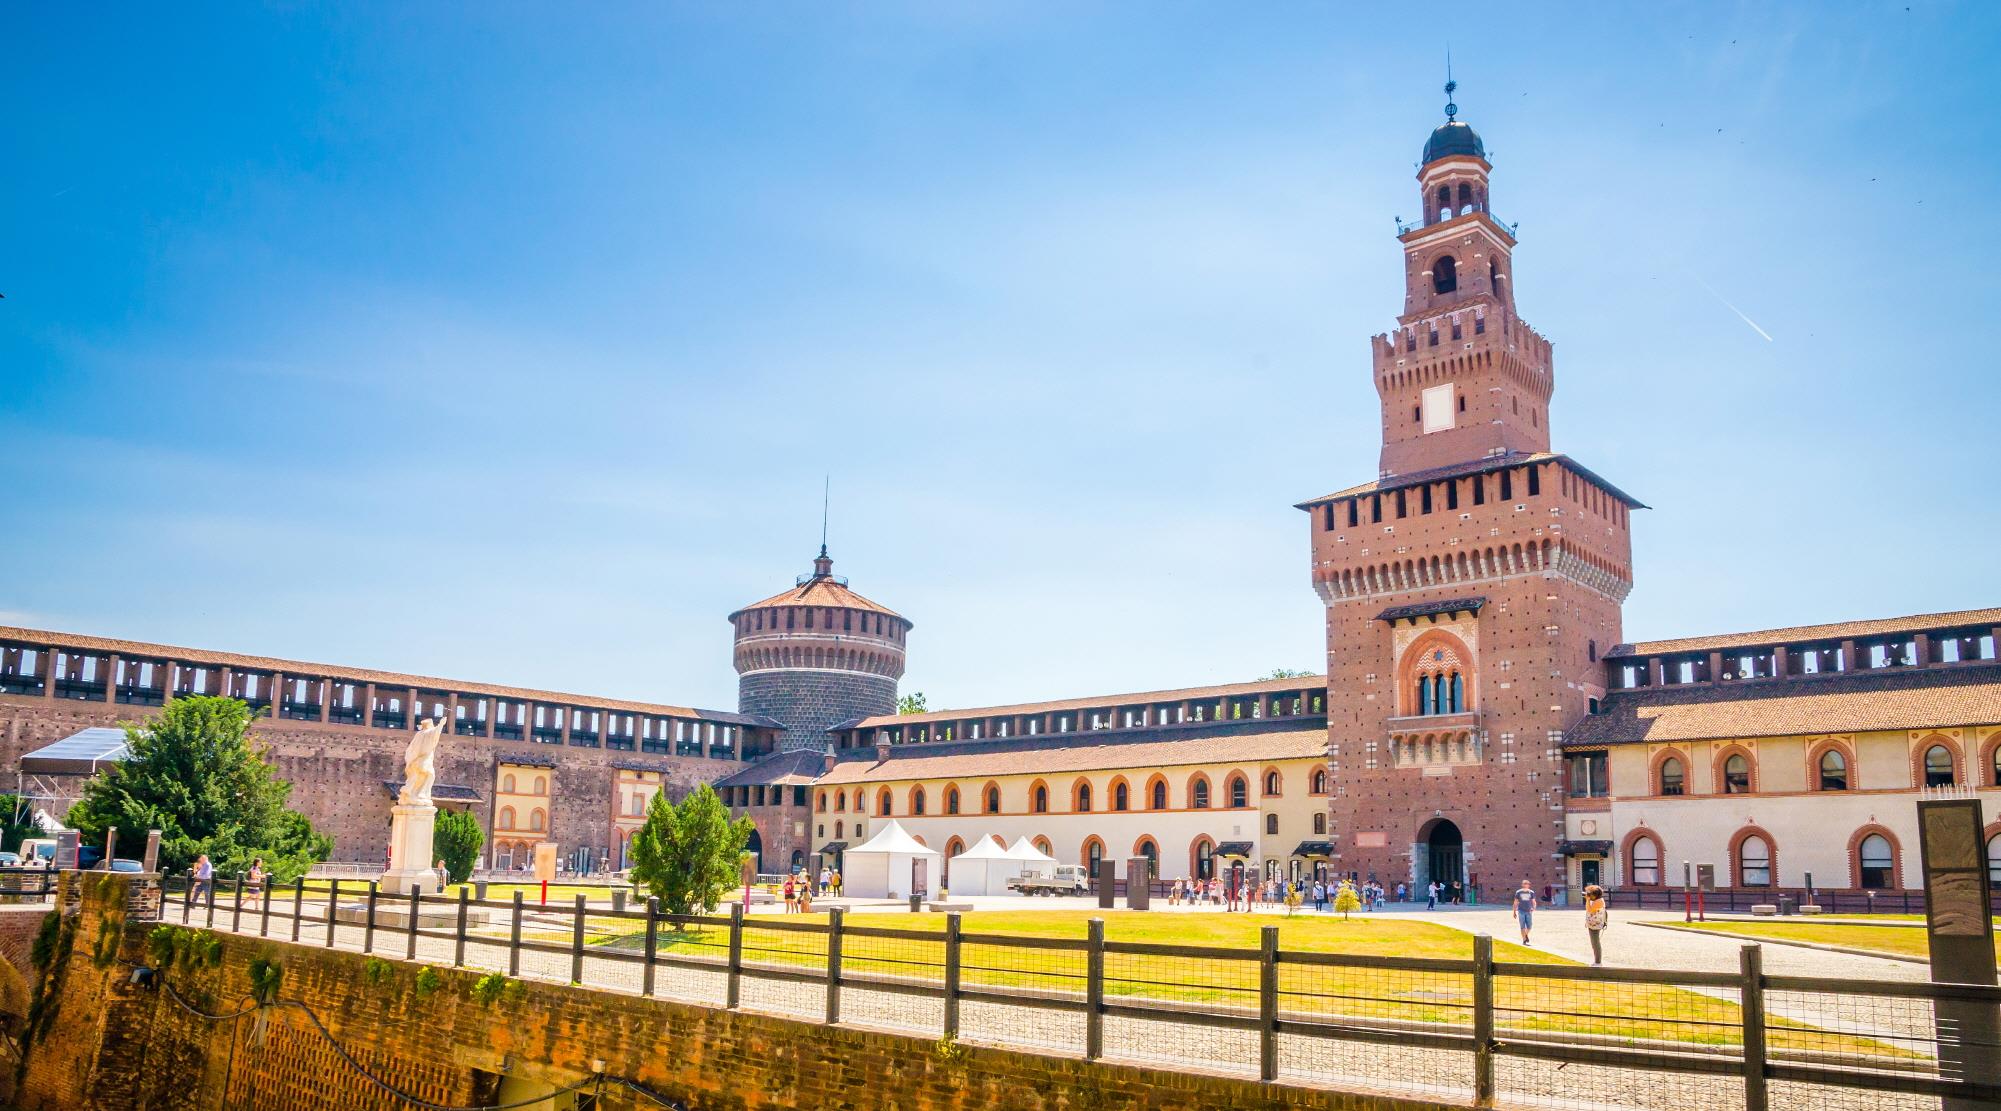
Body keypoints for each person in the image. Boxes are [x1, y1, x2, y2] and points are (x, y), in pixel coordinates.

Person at [1583, 883, 1609, 965]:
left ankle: (1598, 962)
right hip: (1592, 924)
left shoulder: (1599, 901)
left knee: (1595, 943)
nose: (1588, 895)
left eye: (1590, 894)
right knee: (1594, 943)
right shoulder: (1595, 900)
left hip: (1595, 925)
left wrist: (1587, 900)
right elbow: (1589, 910)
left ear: (1595, 894)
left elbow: (1589, 910)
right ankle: (1597, 961)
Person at [1512, 879, 1538, 945]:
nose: (1526, 885)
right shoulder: (1518, 892)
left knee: (1529, 926)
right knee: (1522, 926)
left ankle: (1525, 935)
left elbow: (1534, 902)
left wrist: (1534, 908)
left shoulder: (1531, 892)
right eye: (1525, 884)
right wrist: (1514, 912)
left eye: (1527, 884)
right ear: (1522, 884)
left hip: (1529, 911)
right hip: (1521, 911)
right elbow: (1515, 902)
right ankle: (1524, 940)